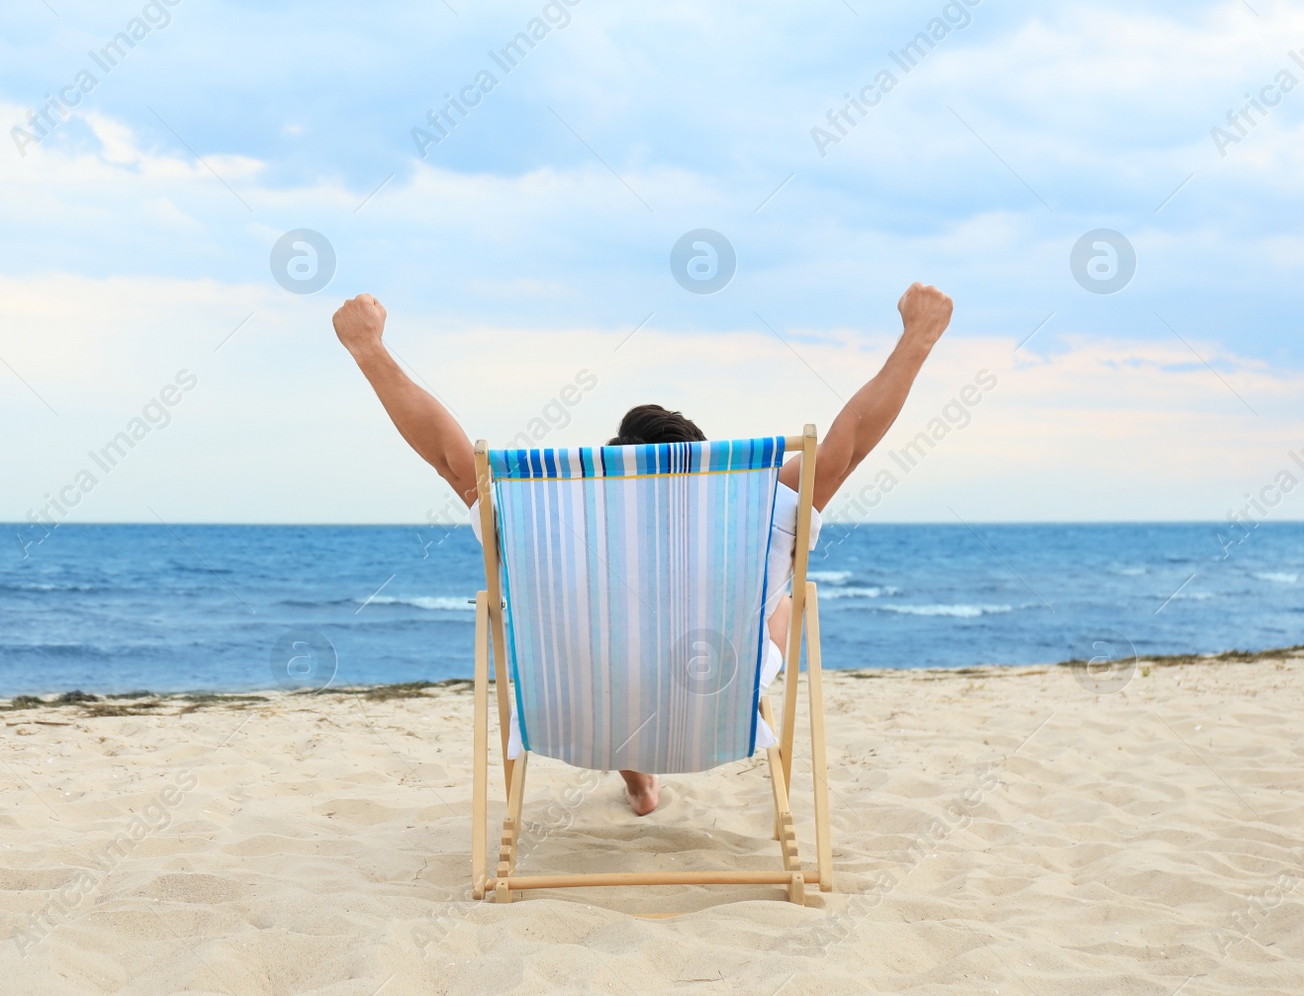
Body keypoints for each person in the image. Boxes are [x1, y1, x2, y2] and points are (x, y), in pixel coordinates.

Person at [333, 282, 954, 815]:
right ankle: (682, 751)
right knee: (784, 605)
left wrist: (370, 350)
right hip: (709, 721)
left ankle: (639, 782)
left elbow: (449, 454)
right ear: (705, 469)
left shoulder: (538, 509)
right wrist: (918, 337)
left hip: (578, 721)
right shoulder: (759, 504)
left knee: (612, 646)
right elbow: (847, 444)